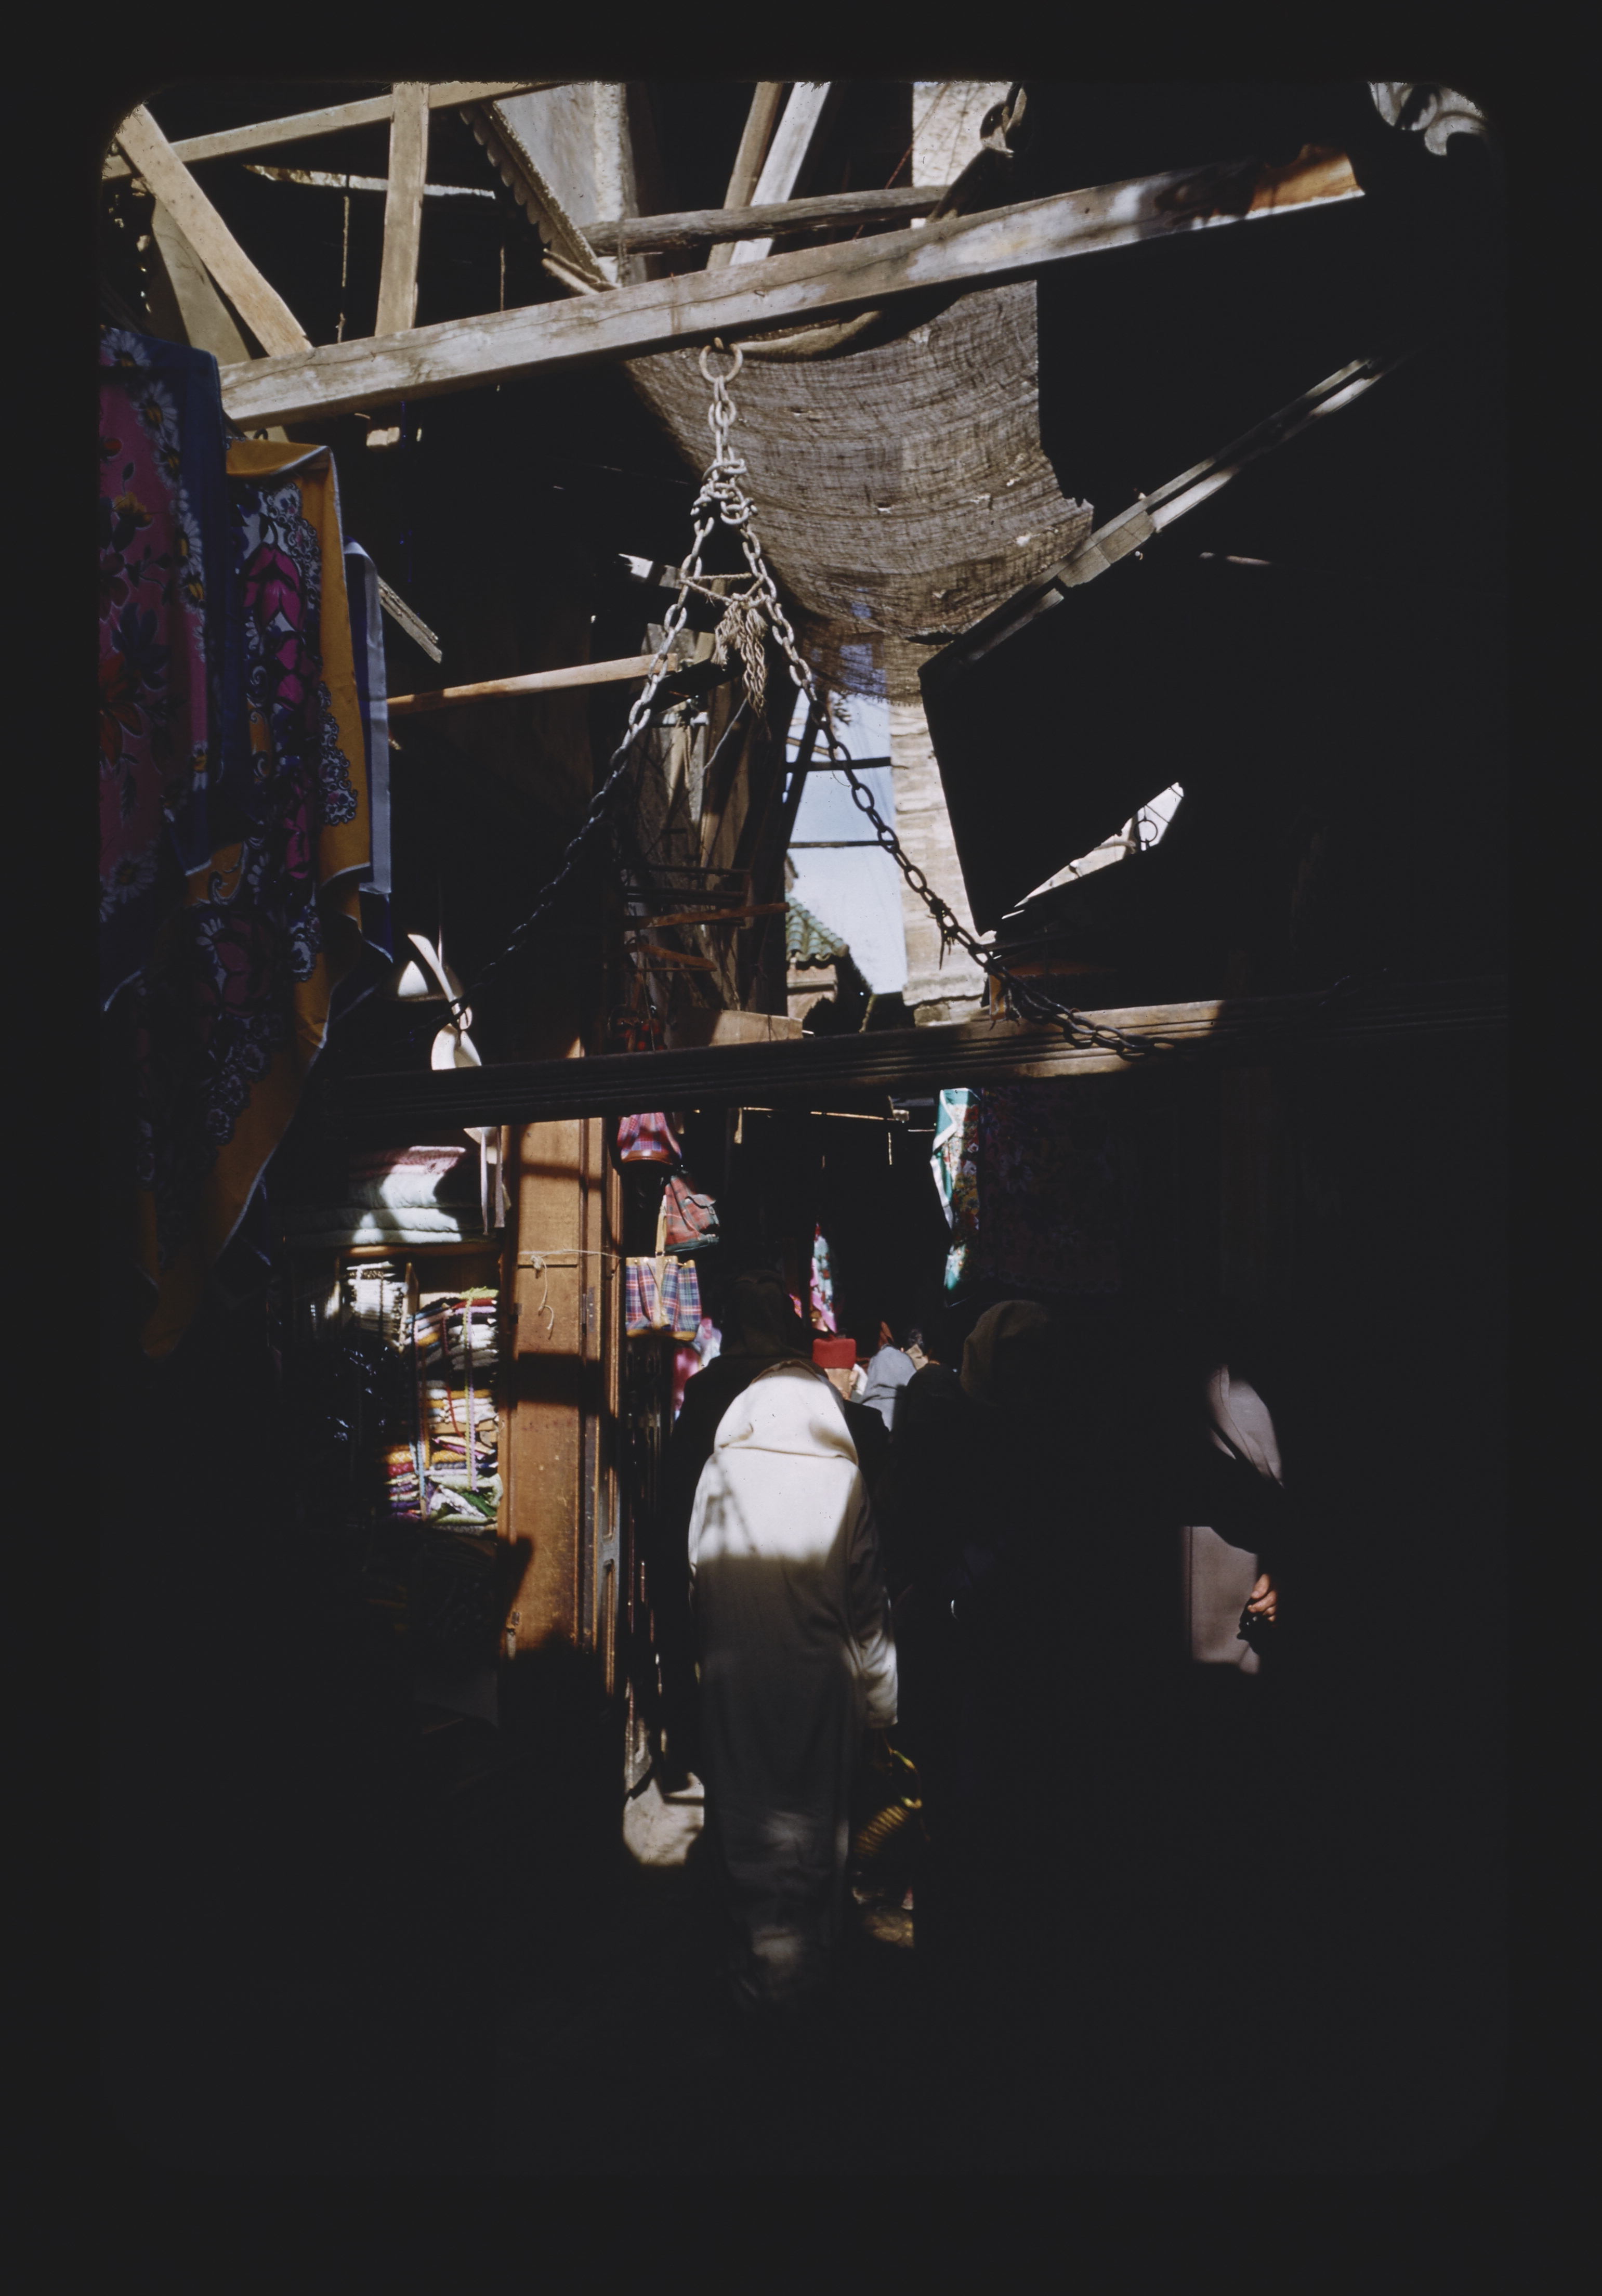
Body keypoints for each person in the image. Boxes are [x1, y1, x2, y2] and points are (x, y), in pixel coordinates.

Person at [688, 1354, 897, 2027]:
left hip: (737, 1687)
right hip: (820, 1694)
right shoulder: (844, 1479)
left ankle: (749, 1985)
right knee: (811, 1834)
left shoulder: (718, 1472)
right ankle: (805, 1990)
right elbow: (868, 1605)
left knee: (743, 1825)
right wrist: (882, 1707)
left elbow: (699, 1573)